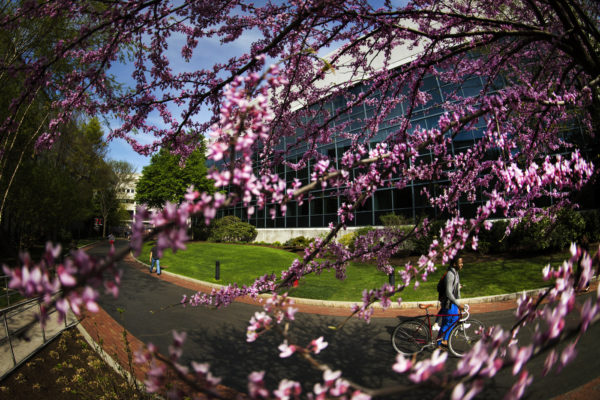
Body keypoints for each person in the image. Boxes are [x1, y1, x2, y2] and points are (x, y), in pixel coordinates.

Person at [437, 256, 465, 347]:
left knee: (454, 319)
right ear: (454, 264)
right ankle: (438, 343)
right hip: (448, 303)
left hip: (453, 302)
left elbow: (456, 289)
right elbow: (448, 293)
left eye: (462, 263)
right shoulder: (450, 274)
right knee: (447, 322)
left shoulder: (456, 273)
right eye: (460, 263)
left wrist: (458, 301)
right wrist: (458, 304)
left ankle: (445, 340)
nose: (462, 264)